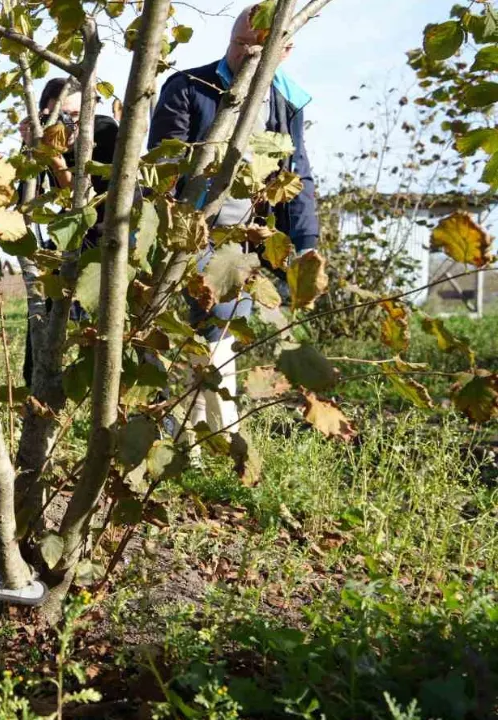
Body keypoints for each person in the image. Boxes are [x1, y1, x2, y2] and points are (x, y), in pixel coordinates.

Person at [148, 2, 318, 434]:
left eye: (256, 47)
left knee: (217, 333)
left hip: (242, 240)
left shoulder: (286, 101)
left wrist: (306, 240)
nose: (244, 54)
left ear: (285, 49)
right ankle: (197, 436)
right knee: (194, 332)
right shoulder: (189, 87)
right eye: (239, 43)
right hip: (188, 230)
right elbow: (163, 167)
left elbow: (295, 175)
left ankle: (202, 438)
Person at [17, 76, 120, 385]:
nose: (68, 125)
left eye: (76, 116)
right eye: (59, 116)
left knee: (114, 339)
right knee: (41, 342)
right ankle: (37, 395)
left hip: (106, 243)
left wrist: (56, 160)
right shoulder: (46, 139)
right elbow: (25, 203)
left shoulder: (106, 133)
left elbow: (85, 204)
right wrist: (29, 150)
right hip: (67, 243)